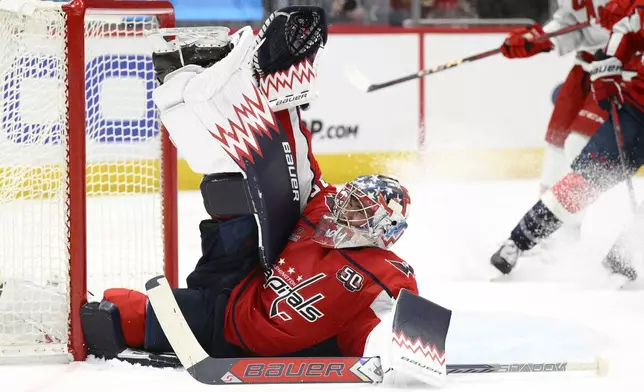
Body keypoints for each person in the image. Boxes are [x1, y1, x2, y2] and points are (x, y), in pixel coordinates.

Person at [80, 6, 452, 387]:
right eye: (349, 199)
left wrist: (408, 359)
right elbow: (300, 165)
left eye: (359, 210)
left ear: (383, 230)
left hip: (245, 333)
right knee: (240, 180)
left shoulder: (388, 273)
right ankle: (237, 76)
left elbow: (404, 334)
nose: (344, 210)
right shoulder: (324, 208)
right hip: (237, 285)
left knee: (125, 314)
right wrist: (287, 100)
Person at [489, 0, 644, 283]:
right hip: (620, 88)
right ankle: (533, 237)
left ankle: (624, 255)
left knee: (576, 146)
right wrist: (540, 39)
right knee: (569, 161)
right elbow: (615, 26)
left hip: (623, 75)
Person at [499, 0, 612, 243]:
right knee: (556, 147)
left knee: (579, 146)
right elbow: (572, 23)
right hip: (585, 68)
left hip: (620, 71)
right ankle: (545, 233)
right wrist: (541, 39)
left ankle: (568, 232)